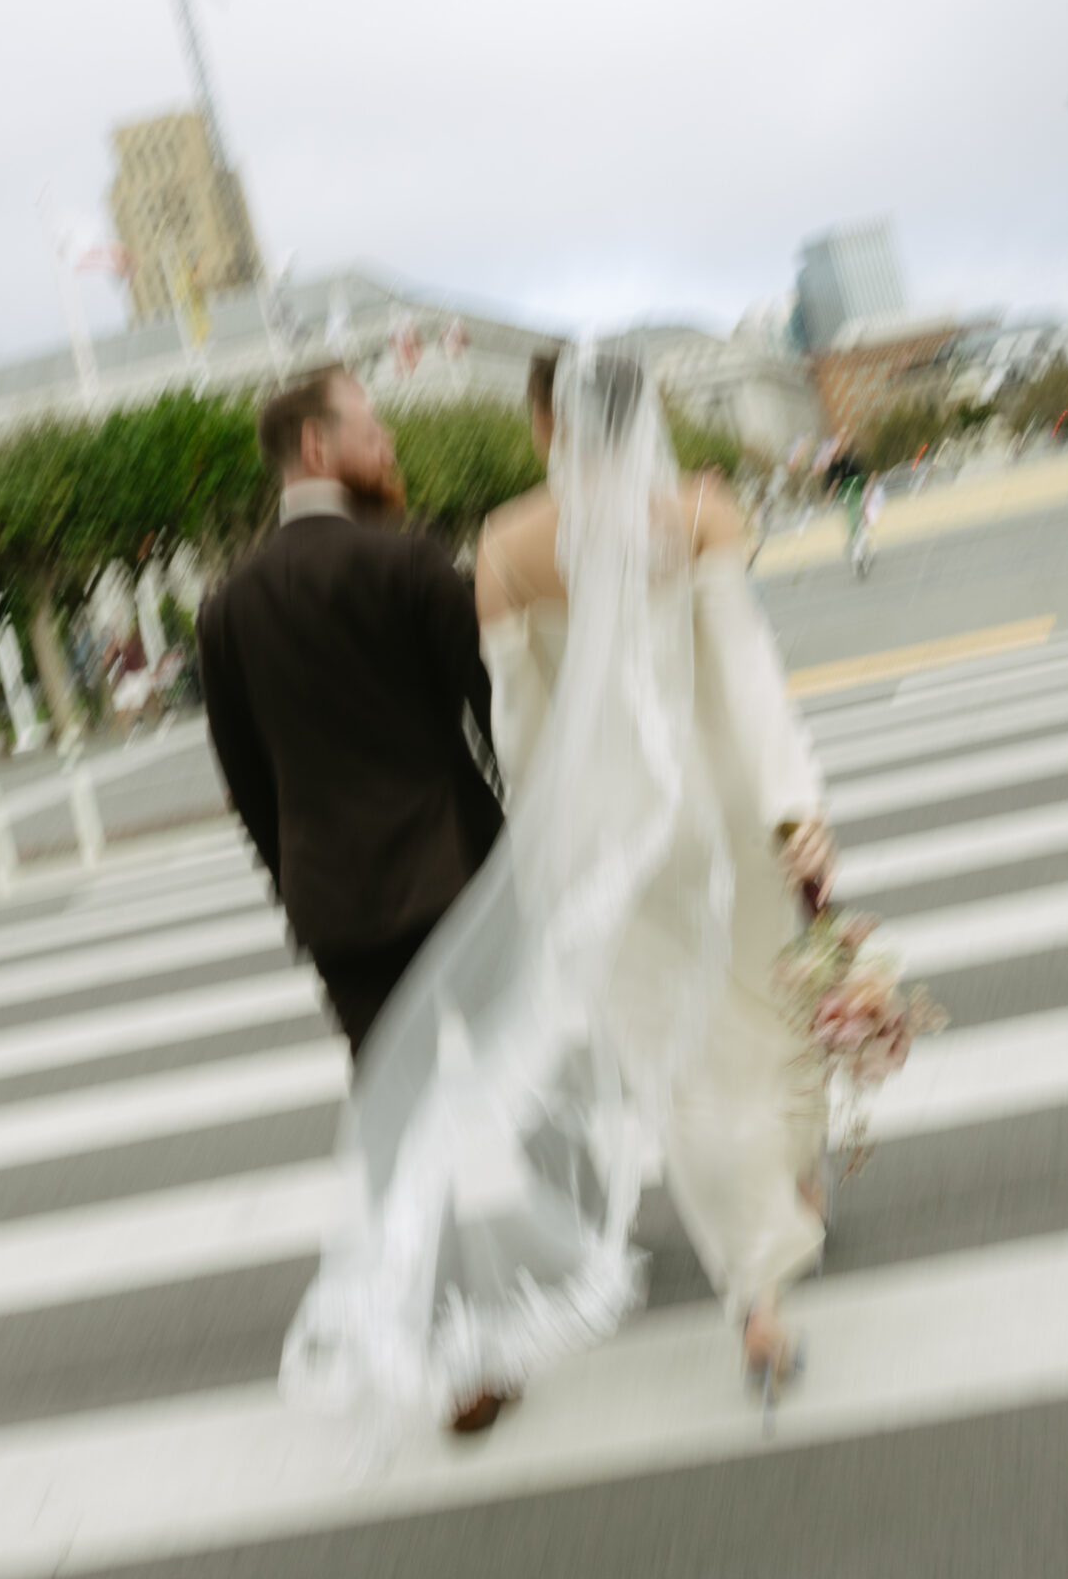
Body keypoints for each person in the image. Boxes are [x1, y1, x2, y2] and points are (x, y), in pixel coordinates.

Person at [281, 343, 833, 1446]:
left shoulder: (505, 546)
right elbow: (749, 675)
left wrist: (548, 849)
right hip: (727, 808)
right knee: (775, 1017)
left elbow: (521, 725)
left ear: (547, 427)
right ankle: (789, 1211)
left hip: (615, 844)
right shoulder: (703, 512)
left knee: (678, 1061)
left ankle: (754, 1297)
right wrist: (797, 810)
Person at [196, 368, 504, 1063]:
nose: (387, 443)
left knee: (395, 1112)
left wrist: (297, 879)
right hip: (460, 877)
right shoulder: (412, 563)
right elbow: (496, 720)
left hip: (335, 906)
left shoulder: (224, 610)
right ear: (316, 446)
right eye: (370, 432)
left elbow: (247, 784)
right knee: (534, 1082)